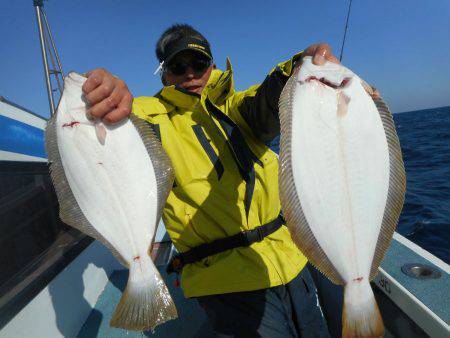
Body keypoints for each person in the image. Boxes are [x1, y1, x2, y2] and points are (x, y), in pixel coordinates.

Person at [82, 24, 339, 337]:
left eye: (199, 64)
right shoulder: (149, 118)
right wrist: (106, 96)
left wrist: (299, 67)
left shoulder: (236, 108)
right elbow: (114, 130)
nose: (190, 74)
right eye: (178, 67)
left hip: (292, 262)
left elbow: (269, 99)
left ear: (213, 67)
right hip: (226, 281)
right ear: (164, 75)